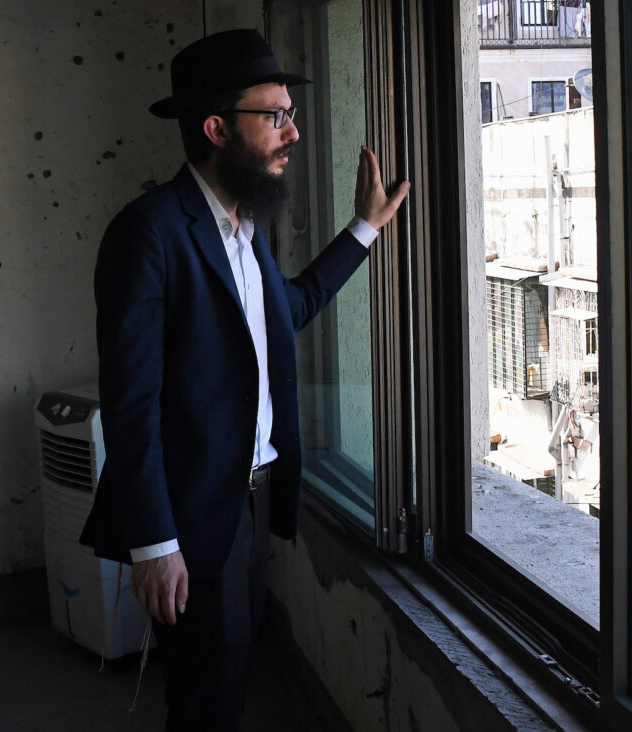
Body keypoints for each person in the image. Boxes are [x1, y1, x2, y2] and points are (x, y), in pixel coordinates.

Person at [79, 28, 409, 730]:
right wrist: (155, 546)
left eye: (291, 113)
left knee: (225, 682)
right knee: (206, 700)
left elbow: (286, 310)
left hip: (249, 504)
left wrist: (363, 231)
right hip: (193, 511)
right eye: (275, 116)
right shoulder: (150, 231)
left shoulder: (244, 227)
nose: (292, 131)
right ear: (216, 128)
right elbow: (130, 404)